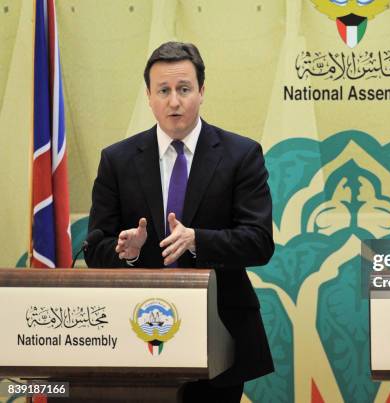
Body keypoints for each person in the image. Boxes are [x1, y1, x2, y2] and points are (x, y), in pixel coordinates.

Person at [84, 41, 274, 402]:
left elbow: (259, 241)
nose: (174, 101)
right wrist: (128, 252)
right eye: (164, 90)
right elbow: (96, 247)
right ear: (149, 96)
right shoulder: (118, 160)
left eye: (184, 89)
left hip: (219, 336)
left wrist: (197, 240)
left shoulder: (241, 154)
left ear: (201, 91)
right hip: (135, 336)